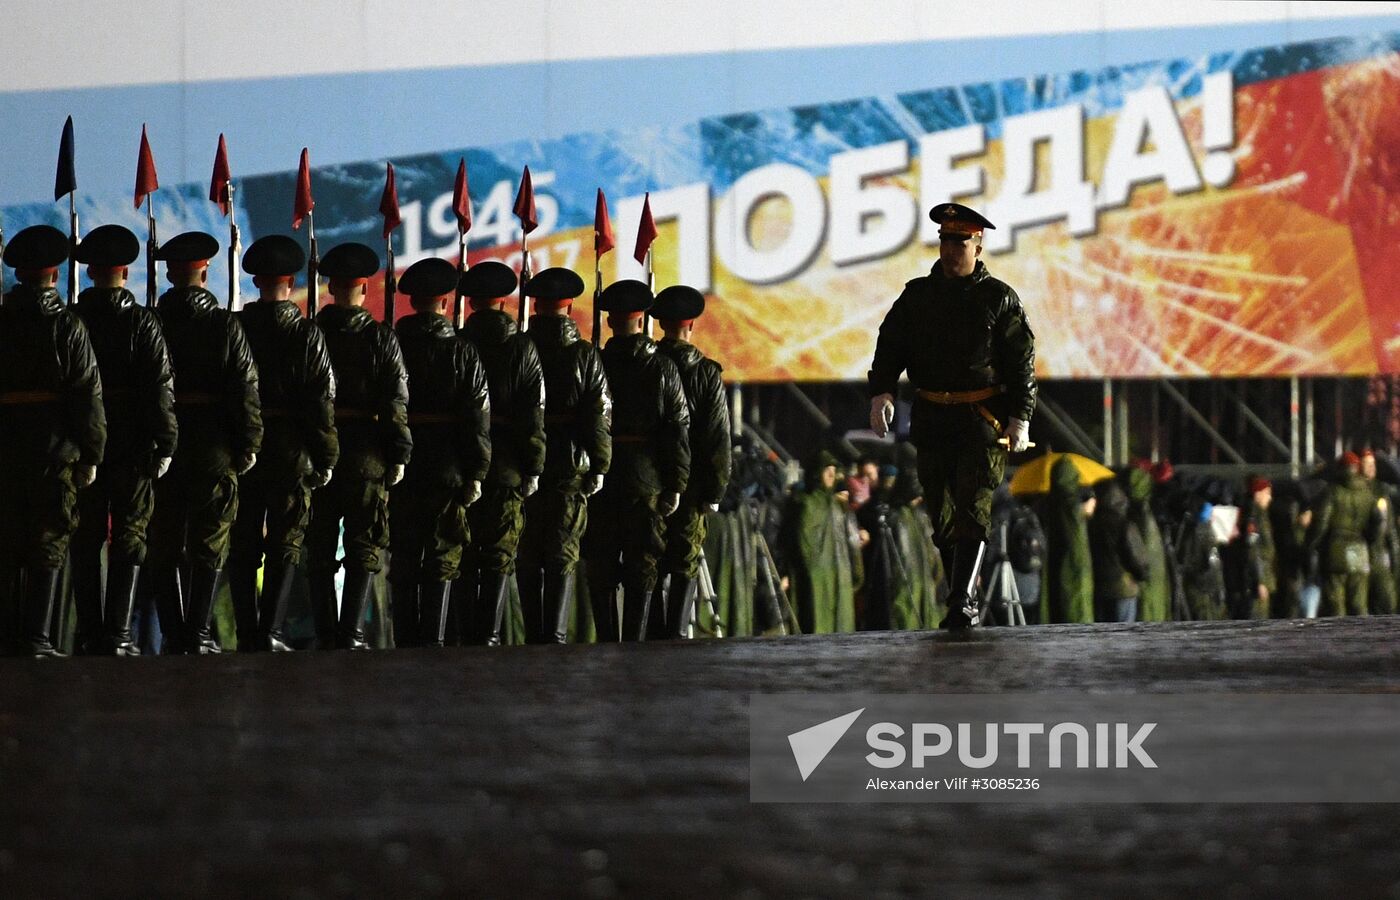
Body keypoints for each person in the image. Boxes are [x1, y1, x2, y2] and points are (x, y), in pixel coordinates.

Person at [867, 203, 1036, 629]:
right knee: (940, 513)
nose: (950, 249)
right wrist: (882, 392)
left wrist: (1021, 417)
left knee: (973, 507)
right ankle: (965, 593)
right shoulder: (917, 296)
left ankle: (961, 599)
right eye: (945, 240)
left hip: (980, 420)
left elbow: (1021, 363)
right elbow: (890, 345)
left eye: (960, 242)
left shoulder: (998, 298)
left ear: (978, 246)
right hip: (931, 418)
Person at [146, 231, 261, 654]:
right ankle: (197, 632)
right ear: (206, 273)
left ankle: (173, 633)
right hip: (214, 445)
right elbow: (245, 388)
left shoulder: (151, 322)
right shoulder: (224, 325)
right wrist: (248, 442)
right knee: (210, 540)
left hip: (163, 445)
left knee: (164, 538)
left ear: (170, 274)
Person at [0, 225, 106, 657]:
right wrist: (92, 453)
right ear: (56, 275)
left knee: (7, 542)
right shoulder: (67, 326)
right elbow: (87, 396)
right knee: (49, 540)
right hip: (54, 453)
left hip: (7, 453)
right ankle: (38, 638)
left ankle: (8, 637)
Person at [69, 224, 175, 656]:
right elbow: (160, 387)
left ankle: (88, 633)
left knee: (85, 536)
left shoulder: (72, 320)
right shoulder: (142, 322)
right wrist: (165, 441)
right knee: (130, 534)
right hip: (134, 446)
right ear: (126, 273)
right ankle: (118, 634)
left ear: (90, 272)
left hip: (83, 443)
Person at [228, 235, 338, 651]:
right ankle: (270, 632)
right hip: (293, 452)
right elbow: (320, 401)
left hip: (243, 449)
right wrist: (326, 456)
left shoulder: (235, 327)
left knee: (242, 542)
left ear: (256, 281)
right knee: (285, 542)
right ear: (291, 282)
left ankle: (246, 632)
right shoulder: (307, 334)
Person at [306, 242, 411, 649]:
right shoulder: (381, 338)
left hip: (316, 450)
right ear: (365, 289)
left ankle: (325, 632)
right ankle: (350, 633)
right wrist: (399, 453)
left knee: (318, 544)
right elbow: (395, 402)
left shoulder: (310, 334)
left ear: (331, 287)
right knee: (364, 544)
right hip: (367, 453)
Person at [390, 257, 491, 648]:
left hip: (403, 464)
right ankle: (433, 641)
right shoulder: (464, 352)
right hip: (449, 465)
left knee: (403, 552)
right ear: (446, 303)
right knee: (443, 553)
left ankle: (405, 641)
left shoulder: (393, 343)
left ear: (412, 301)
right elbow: (476, 418)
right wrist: (477, 471)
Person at [583, 279, 690, 641]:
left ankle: (607, 639)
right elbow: (677, 429)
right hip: (647, 479)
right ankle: (635, 641)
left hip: (602, 478)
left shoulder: (595, 362)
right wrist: (676, 483)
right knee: (643, 562)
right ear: (643, 320)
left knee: (601, 562)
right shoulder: (663, 368)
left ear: (610, 321)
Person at [517, 267, 611, 644]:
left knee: (526, 552)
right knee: (562, 551)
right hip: (571, 467)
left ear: (535, 306)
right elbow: (598, 416)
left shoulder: (520, 348)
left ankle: (533, 635)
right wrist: (600, 464)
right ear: (570, 308)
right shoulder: (584, 354)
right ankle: (554, 637)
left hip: (522, 462)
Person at [457, 261, 546, 646]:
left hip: (460, 463)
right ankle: (489, 638)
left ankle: (463, 635)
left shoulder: (458, 343)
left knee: (461, 552)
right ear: (504, 302)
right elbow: (533, 415)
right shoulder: (522, 347)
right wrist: (534, 466)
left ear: (471, 302)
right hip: (508, 466)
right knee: (499, 554)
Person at [649, 284, 731, 639]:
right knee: (685, 557)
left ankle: (650, 633)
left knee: (649, 557)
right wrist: (715, 490)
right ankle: (677, 634)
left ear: (661, 324)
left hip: (651, 478)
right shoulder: (706, 373)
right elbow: (718, 437)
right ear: (692, 325)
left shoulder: (648, 365)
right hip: (694, 483)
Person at [782, 450, 859, 633]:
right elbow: (802, 546)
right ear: (817, 473)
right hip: (817, 580)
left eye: (833, 471)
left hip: (840, 578)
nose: (832, 475)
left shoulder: (836, 506)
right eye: (827, 471)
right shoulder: (806, 504)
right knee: (817, 625)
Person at [1306, 451, 1378, 617]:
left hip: (1335, 551)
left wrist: (1311, 545)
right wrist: (1369, 540)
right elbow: (1377, 521)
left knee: (1335, 605)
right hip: (1360, 551)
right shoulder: (1367, 492)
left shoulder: (1332, 491)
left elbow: (1321, 523)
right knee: (1359, 605)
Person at [1040, 456, 1093, 624]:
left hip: (1055, 572)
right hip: (1074, 575)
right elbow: (1077, 547)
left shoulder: (1048, 503)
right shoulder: (1072, 506)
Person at [1089, 479, 1149, 622]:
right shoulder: (1124, 524)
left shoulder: (1091, 524)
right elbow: (1135, 556)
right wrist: (1143, 574)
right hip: (1123, 589)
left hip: (1099, 588)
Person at [1360, 451, 1398, 615]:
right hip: (1362, 552)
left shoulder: (1381, 491)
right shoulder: (1357, 492)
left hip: (1380, 554)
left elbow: (1390, 529)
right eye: (1367, 464)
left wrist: (1395, 557)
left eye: (1372, 464)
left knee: (1387, 603)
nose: (1371, 468)